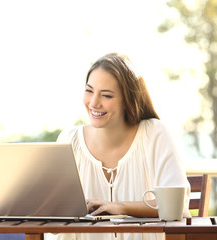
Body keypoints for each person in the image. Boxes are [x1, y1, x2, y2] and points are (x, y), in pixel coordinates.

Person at [55, 53, 191, 240]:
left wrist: (119, 207)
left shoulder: (155, 134)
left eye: (107, 95)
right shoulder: (70, 140)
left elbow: (177, 207)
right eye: (89, 90)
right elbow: (54, 218)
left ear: (128, 100)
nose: (94, 103)